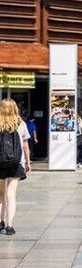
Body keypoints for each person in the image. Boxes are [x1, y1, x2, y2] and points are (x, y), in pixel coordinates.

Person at [0, 99, 32, 235]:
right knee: (11, 195)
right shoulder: (21, 124)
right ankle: (10, 226)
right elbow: (25, 145)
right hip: (16, 163)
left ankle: (0, 222)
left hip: (0, 162)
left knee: (0, 195)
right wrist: (28, 162)